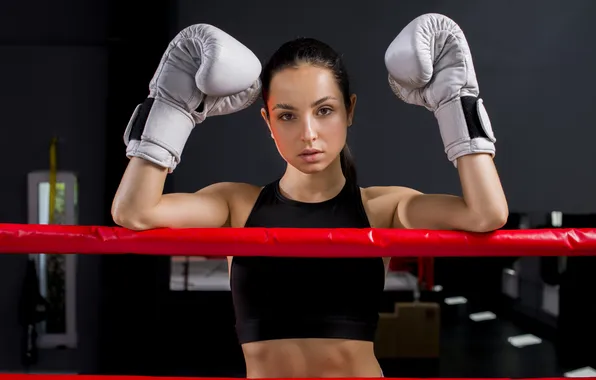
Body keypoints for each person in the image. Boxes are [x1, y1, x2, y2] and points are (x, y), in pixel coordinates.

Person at [112, 14, 508, 379]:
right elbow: (135, 211)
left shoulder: (381, 208)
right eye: (287, 115)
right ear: (267, 121)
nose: (308, 133)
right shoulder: (237, 205)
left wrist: (455, 105)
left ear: (349, 111)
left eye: (324, 110)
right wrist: (171, 108)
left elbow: (486, 213)